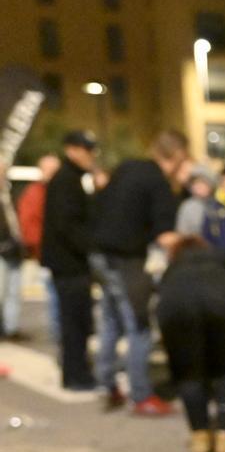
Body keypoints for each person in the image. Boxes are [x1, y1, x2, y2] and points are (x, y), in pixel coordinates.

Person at [91, 128, 188, 414]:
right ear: (177, 156)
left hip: (99, 254)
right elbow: (164, 235)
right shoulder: (157, 181)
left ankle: (107, 384)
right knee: (139, 326)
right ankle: (142, 395)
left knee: (110, 320)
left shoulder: (126, 168)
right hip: (125, 258)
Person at [157, 235, 225, 452]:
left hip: (178, 309)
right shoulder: (224, 257)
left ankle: (199, 439)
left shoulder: (173, 268)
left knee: (189, 371)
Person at [42, 131, 99, 390]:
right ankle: (76, 375)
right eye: (87, 149)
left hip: (69, 263)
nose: (91, 155)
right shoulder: (66, 180)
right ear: (72, 150)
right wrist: (91, 248)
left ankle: (76, 373)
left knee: (76, 320)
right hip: (69, 264)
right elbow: (68, 225)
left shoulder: (71, 179)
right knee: (74, 322)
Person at [17, 153, 61, 341]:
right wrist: (41, 247)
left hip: (58, 254)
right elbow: (28, 225)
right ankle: (59, 340)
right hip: (47, 253)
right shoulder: (35, 193)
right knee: (55, 300)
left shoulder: (59, 191)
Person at [0, 162, 25, 340]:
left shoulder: (9, 195)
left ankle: (11, 328)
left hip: (14, 251)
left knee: (13, 292)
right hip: (2, 250)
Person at [175, 165, 216, 237]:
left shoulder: (216, 205)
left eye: (203, 183)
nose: (199, 186)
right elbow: (182, 232)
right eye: (196, 183)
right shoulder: (187, 206)